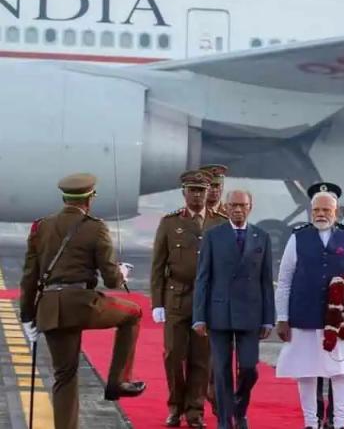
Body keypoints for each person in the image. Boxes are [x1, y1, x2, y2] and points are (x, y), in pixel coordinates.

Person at [19, 173, 144, 429]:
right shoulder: (95, 227)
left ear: (64, 197)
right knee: (133, 313)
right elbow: (110, 280)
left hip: (51, 309)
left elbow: (29, 277)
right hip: (83, 306)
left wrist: (27, 317)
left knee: (64, 376)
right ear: (89, 199)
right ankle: (118, 381)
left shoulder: (41, 227)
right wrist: (123, 273)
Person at [275, 184, 344, 429]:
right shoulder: (298, 238)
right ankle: (310, 422)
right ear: (310, 211)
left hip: (338, 320)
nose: (321, 214)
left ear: (335, 212)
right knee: (306, 372)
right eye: (316, 209)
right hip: (304, 315)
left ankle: (340, 423)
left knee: (341, 373)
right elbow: (284, 280)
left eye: (326, 209)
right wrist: (282, 318)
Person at [151, 170, 228, 427]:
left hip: (207, 301)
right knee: (173, 355)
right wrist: (157, 303)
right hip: (177, 297)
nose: (197, 195)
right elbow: (157, 266)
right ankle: (175, 406)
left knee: (200, 359)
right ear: (184, 192)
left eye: (201, 191)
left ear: (209, 193)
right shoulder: (170, 223)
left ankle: (195, 411)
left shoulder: (220, 223)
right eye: (192, 190)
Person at [193, 189, 275, 429]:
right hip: (220, 313)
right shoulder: (213, 236)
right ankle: (224, 420)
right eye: (233, 205)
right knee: (222, 370)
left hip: (251, 314)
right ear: (225, 208)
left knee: (249, 368)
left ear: (250, 207)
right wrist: (199, 316)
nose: (238, 209)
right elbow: (203, 278)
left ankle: (239, 407)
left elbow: (265, 280)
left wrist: (268, 319)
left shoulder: (262, 236)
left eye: (242, 205)